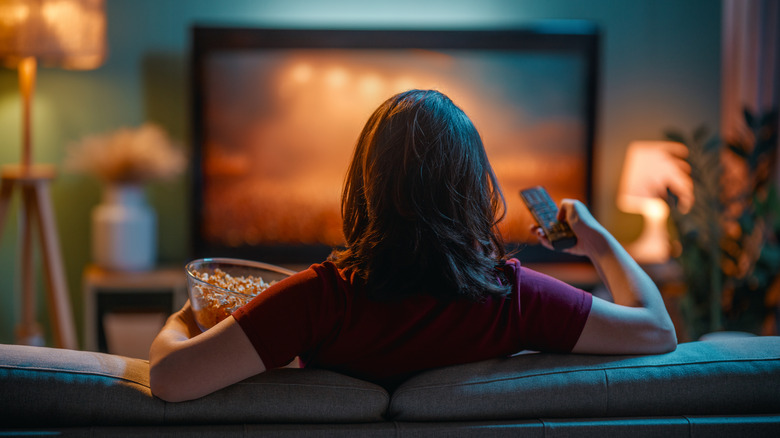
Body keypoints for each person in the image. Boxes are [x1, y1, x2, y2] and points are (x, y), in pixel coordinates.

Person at [150, 89, 677, 402]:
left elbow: (169, 380)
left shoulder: (318, 299)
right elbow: (657, 330)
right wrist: (598, 243)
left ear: (367, 186)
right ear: (473, 189)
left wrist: (188, 317)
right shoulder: (513, 299)